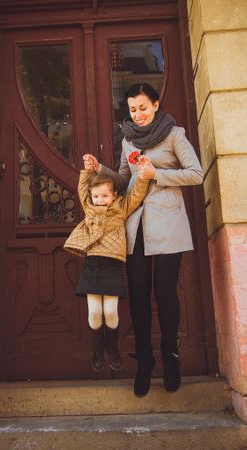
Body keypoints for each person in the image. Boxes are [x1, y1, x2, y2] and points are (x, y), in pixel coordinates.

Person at [83, 83, 203, 396]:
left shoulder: (175, 134)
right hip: (135, 227)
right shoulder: (128, 140)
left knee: (165, 296)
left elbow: (195, 174)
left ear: (156, 104)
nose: (138, 114)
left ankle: (171, 360)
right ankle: (145, 363)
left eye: (143, 108)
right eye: (133, 109)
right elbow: (124, 181)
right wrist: (101, 169)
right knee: (137, 296)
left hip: (168, 225)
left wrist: (157, 175)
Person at [64, 160, 150, 372]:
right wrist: (87, 170)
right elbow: (82, 188)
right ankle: (97, 349)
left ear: (114, 196)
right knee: (94, 312)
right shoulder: (89, 209)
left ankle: (112, 348)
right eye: (96, 196)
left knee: (110, 311)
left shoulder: (121, 209)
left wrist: (143, 175)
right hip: (93, 264)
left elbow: (137, 194)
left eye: (104, 196)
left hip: (113, 264)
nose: (99, 200)